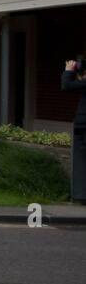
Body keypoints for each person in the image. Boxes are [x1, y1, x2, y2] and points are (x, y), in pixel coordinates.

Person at [63, 57, 86, 204]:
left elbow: (67, 85)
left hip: (83, 126)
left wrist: (68, 71)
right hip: (82, 126)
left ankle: (81, 195)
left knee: (82, 160)